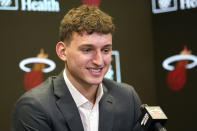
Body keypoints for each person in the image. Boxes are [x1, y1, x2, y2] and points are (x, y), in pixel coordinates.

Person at [12, 5, 143, 131]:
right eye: (87, 50)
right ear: (63, 52)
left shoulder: (127, 98)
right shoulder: (34, 107)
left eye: (105, 50)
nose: (99, 61)